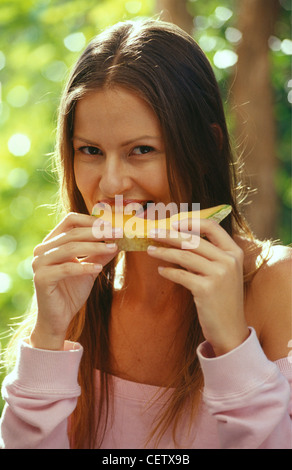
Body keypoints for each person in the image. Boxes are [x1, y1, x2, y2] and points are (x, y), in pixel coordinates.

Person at [0, 18, 291, 450]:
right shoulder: (73, 299)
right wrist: (47, 337)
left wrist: (232, 345)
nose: (112, 184)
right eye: (91, 151)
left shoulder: (277, 285)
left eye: (142, 150)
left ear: (208, 148)